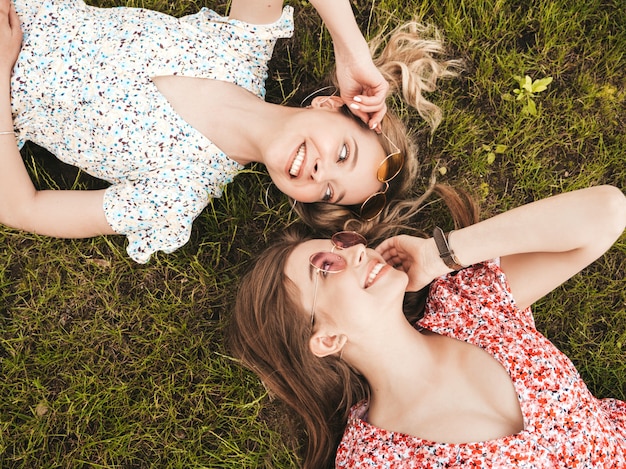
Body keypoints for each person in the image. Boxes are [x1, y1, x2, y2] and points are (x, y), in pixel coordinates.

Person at [0, 0, 461, 263]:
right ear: (329, 104)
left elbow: (23, 207)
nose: (320, 173)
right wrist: (352, 52)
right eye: (342, 154)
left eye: (328, 192)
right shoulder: (240, 45)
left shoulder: (176, 195)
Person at [229, 184, 626, 468]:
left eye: (343, 244)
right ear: (327, 338)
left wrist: (444, 254)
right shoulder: (375, 459)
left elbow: (608, 212)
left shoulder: (465, 304)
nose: (355, 253)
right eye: (326, 268)